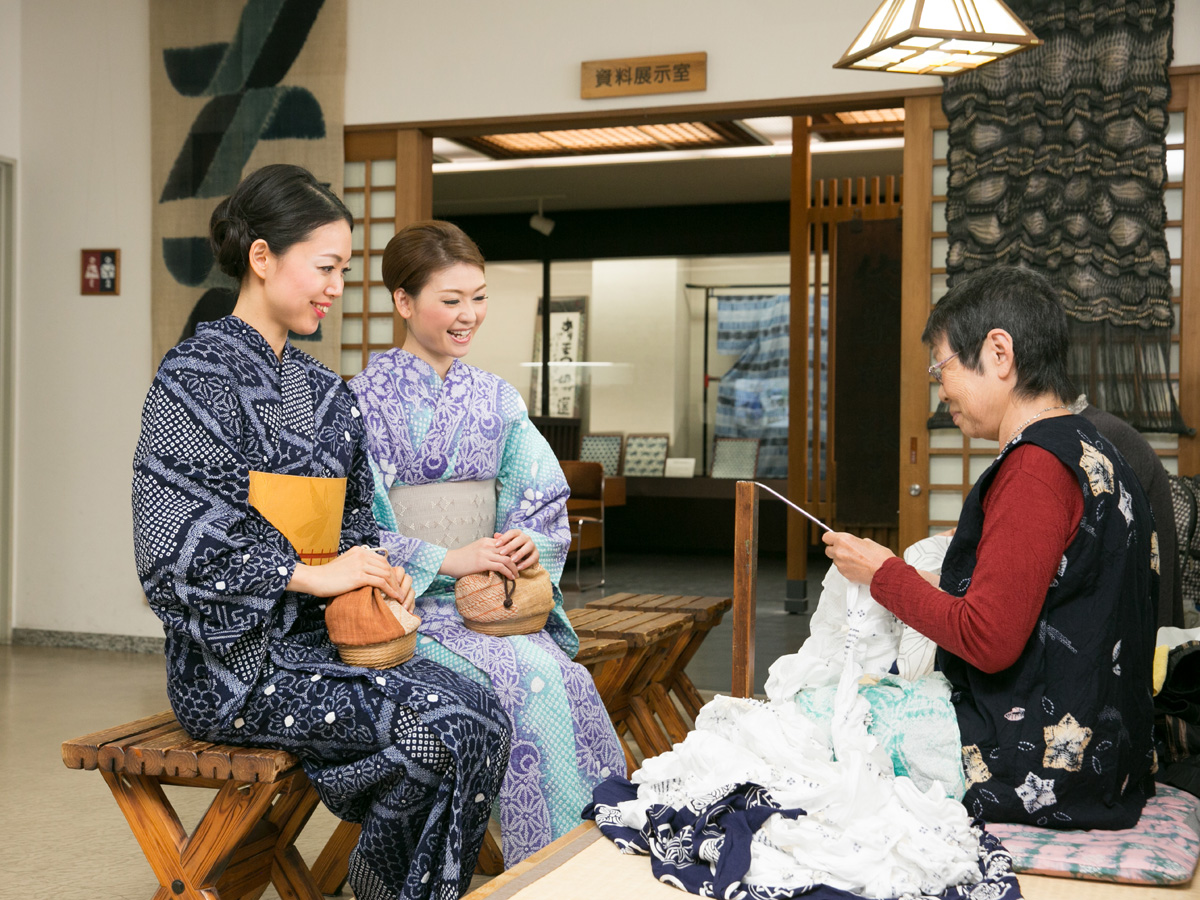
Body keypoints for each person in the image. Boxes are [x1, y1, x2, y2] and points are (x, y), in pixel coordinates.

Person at [132, 165, 510, 900]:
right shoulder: (192, 377)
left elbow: (355, 520)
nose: (336, 286)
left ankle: (376, 884)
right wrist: (310, 575)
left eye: (343, 270)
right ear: (262, 257)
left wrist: (373, 566)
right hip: (234, 667)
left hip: (326, 645)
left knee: (481, 715)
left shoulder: (321, 390)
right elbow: (170, 544)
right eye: (325, 266)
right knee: (440, 723)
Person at [823, 265, 1158, 830]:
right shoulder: (1097, 450)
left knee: (821, 718)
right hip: (1108, 758)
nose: (940, 387)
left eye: (943, 366)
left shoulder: (1034, 470)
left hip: (1036, 768)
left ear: (998, 353)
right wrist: (906, 578)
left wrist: (885, 573)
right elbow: (1047, 602)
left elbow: (989, 639)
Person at [349, 220, 625, 867]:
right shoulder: (361, 403)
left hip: (486, 602)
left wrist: (522, 543)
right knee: (529, 681)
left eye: (478, 297)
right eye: (450, 300)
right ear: (402, 301)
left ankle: (596, 857)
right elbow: (351, 524)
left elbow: (540, 494)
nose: (467, 314)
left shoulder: (496, 397)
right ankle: (550, 868)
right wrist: (445, 558)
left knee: (568, 679)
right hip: (408, 611)